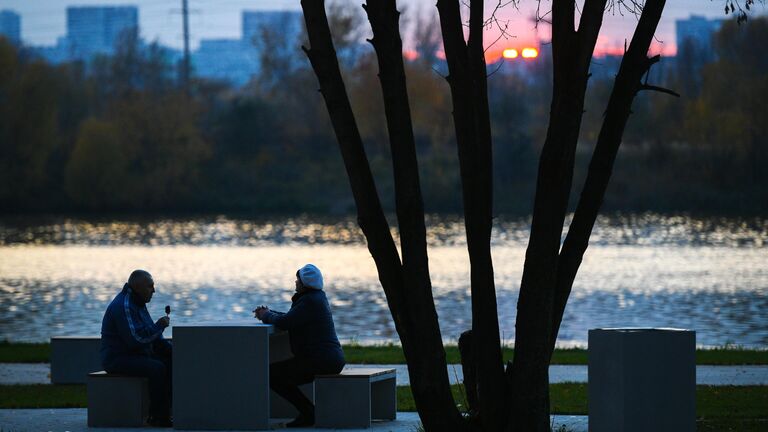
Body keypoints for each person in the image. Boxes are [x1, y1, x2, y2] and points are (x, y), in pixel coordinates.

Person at [254, 264, 345, 428]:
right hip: (327, 358)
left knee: (272, 375)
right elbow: (292, 317)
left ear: (304, 283)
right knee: (278, 374)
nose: (295, 283)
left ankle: (309, 413)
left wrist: (267, 315)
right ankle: (308, 412)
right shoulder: (316, 297)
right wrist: (269, 313)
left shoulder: (310, 300)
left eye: (298, 280)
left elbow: (286, 322)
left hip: (320, 360)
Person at [100, 270, 173, 428]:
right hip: (117, 358)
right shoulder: (124, 306)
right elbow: (136, 340)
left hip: (135, 355)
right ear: (138, 288)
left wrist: (172, 350)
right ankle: (158, 417)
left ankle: (169, 411)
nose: (153, 290)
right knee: (157, 368)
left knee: (171, 360)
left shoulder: (138, 303)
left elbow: (150, 335)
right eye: (150, 286)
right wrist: (159, 326)